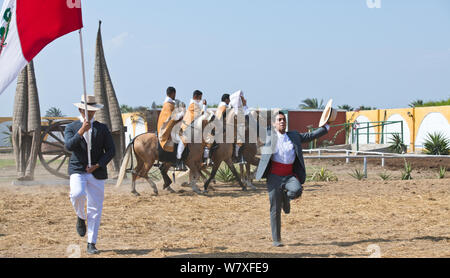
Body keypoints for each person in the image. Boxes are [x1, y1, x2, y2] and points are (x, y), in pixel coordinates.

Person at [255, 111, 331, 247]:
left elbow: (310, 135)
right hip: (274, 177)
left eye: (284, 119)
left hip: (290, 175)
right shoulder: (268, 135)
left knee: (297, 190)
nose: (282, 122)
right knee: (275, 208)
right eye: (279, 120)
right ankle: (276, 239)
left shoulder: (294, 136)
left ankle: (287, 197)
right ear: (274, 123)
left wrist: (326, 127)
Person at [64, 95, 115, 255]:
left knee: (95, 208)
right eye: (87, 111)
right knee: (76, 194)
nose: (90, 114)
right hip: (77, 168)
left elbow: (111, 150)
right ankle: (80, 216)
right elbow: (68, 146)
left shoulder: (102, 128)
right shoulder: (71, 127)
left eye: (93, 111)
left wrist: (98, 165)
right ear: (80, 110)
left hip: (97, 172)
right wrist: (81, 131)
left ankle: (91, 242)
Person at [178, 90, 210, 168]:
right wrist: (204, 106)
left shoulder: (195, 105)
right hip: (187, 129)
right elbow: (203, 115)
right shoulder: (193, 105)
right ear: (195, 96)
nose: (201, 99)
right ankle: (179, 160)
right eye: (200, 97)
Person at [157, 87, 186, 170]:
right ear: (172, 93)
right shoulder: (168, 105)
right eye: (175, 94)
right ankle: (178, 162)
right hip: (165, 130)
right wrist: (182, 113)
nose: (175, 96)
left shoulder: (170, 104)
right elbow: (172, 118)